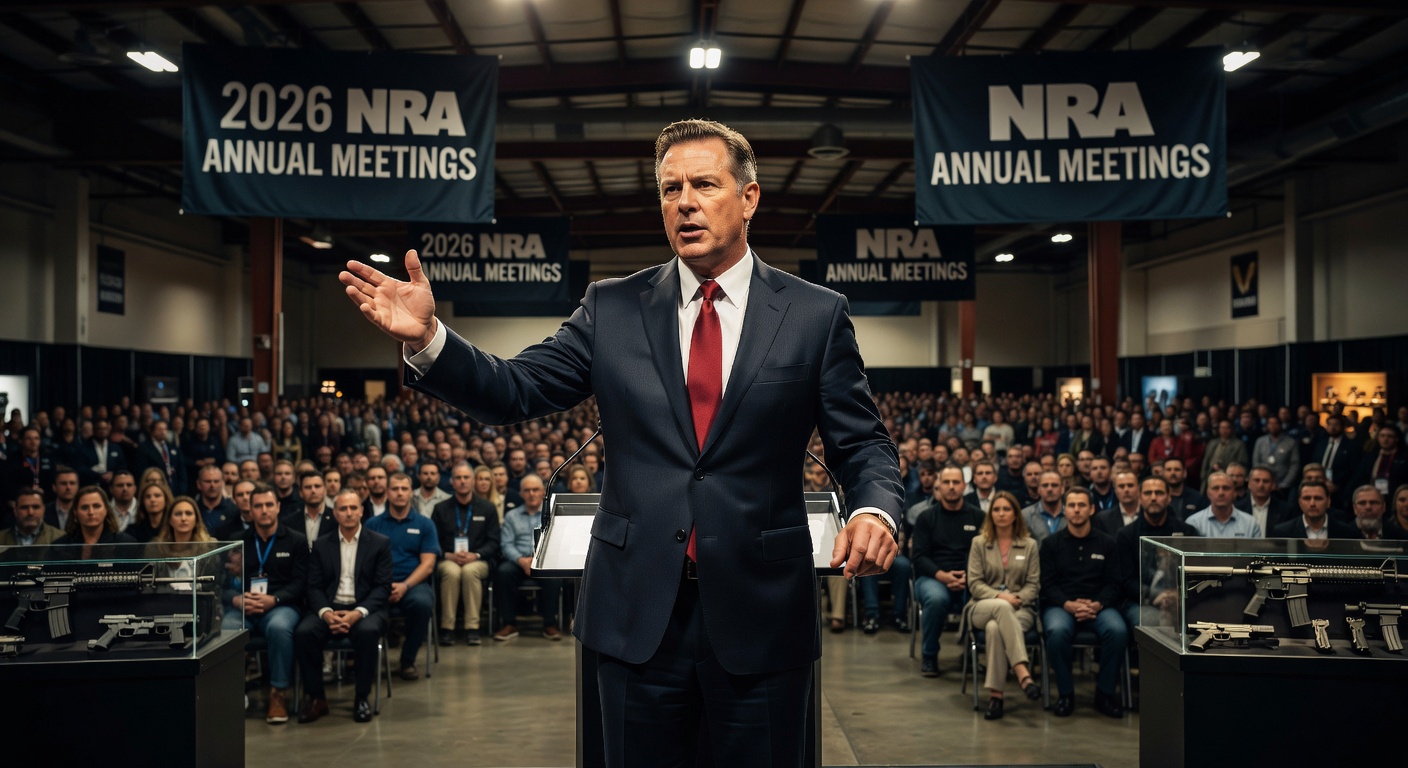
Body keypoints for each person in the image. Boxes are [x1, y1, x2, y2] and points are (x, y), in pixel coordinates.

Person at [342, 118, 901, 767]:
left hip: (762, 615)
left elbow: (862, 443)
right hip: (637, 617)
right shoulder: (612, 308)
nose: (684, 202)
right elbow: (515, 389)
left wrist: (873, 507)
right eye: (669, 189)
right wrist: (429, 340)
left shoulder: (815, 314)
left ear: (748, 198)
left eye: (703, 184)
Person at [294, 490, 394, 724]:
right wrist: (326, 613)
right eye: (342, 509)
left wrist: (357, 613)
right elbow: (314, 587)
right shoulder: (320, 545)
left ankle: (361, 697)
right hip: (330, 608)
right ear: (335, 514)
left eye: (353, 508)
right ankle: (316, 698)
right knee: (304, 633)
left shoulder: (380, 543)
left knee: (368, 632)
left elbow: (383, 587)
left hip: (365, 608)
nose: (348, 513)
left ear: (361, 511)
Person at [1039, 487, 1126, 719]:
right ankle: (1066, 695)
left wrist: (1097, 604)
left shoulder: (1108, 543)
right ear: (1065, 510)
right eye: (1071, 505)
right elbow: (1047, 584)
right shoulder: (1050, 544)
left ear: (1092, 509)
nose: (1076, 510)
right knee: (1056, 632)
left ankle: (1105, 694)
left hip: (1099, 606)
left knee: (1118, 631)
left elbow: (1114, 583)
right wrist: (1068, 604)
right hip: (1061, 606)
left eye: (1081, 505)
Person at [230, 484, 308, 724]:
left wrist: (274, 599)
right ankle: (231, 693)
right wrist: (235, 598)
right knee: (226, 629)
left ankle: (278, 694)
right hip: (243, 607)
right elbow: (222, 583)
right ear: (250, 510)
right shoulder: (236, 542)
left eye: (268, 505)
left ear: (278, 507)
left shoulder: (296, 540)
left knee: (278, 628)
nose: (264, 510)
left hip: (281, 605)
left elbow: (301, 583)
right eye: (258, 506)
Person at [964, 491, 1041, 720]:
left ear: (1015, 514)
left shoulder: (1029, 545)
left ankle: (996, 697)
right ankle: (1022, 672)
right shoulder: (979, 543)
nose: (1001, 513)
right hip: (981, 606)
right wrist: (1002, 598)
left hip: (1021, 610)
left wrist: (1016, 599)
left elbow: (1033, 584)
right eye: (996, 509)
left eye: (1006, 509)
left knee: (995, 629)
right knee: (1001, 610)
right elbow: (974, 583)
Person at [363, 471, 440, 680]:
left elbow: (428, 565)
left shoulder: (424, 524)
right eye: (395, 489)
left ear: (410, 493)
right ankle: (363, 661)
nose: (399, 493)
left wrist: (404, 586)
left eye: (404, 489)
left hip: (412, 584)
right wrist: (382, 586)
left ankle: (407, 660)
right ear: (387, 493)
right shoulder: (372, 525)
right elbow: (364, 563)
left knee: (423, 604)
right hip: (378, 585)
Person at [912, 466, 983, 676]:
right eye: (946, 482)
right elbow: (919, 557)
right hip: (932, 577)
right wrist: (942, 576)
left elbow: (987, 555)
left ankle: (972, 656)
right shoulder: (926, 517)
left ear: (964, 486)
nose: (951, 487)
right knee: (936, 599)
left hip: (971, 577)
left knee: (981, 598)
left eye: (955, 482)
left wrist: (970, 577)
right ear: (939, 486)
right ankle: (930, 656)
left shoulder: (979, 517)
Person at [1116, 476, 1197, 630]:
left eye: (1159, 493)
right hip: (1139, 601)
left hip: (1180, 598)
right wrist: (1153, 596)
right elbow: (1125, 581)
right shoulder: (1126, 535)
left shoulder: (1187, 531)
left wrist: (1177, 594)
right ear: (1140, 498)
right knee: (1152, 625)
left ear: (1168, 498)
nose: (1153, 498)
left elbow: (1194, 571)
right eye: (1148, 493)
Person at [433, 462, 500, 646]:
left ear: (472, 481)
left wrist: (476, 555)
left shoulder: (487, 508)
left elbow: (494, 541)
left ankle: (473, 628)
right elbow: (433, 541)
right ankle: (447, 628)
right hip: (448, 558)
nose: (462, 481)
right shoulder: (440, 509)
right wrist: (447, 555)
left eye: (466, 478)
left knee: (470, 571)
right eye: (458, 478)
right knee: (452, 572)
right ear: (452, 482)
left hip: (478, 559)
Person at [493, 474, 563, 641]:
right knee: (503, 572)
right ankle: (509, 623)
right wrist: (521, 560)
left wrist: (538, 559)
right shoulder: (512, 516)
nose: (531, 493)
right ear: (521, 494)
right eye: (527, 490)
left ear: (543, 493)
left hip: (545, 560)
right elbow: (507, 544)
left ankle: (549, 624)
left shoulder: (553, 514)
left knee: (554, 577)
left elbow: (557, 541)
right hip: (519, 560)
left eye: (535, 490)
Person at [1271, 480, 1362, 539]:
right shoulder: (1282, 533)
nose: (1312, 504)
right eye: (1307, 498)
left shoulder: (1346, 533)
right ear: (1299, 502)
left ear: (1328, 501)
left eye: (1318, 498)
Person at [1186, 472, 1263, 538]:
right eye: (1216, 488)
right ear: (1208, 493)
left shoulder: (1251, 524)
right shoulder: (1194, 523)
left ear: (1234, 493)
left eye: (1226, 488)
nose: (1221, 493)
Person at [53, 486, 136, 547]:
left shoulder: (125, 543)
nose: (91, 512)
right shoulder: (60, 546)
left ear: (106, 509)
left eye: (96, 506)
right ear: (75, 512)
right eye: (84, 507)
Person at [281, 470, 336, 548]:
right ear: (300, 492)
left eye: (317, 486)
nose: (313, 491)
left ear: (325, 490)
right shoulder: (289, 522)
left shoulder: (336, 519)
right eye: (308, 487)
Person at [137, 421, 188, 496]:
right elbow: (141, 472)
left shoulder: (172, 447)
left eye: (165, 429)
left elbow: (181, 469)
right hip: (155, 489)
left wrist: (182, 488)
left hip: (175, 490)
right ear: (152, 431)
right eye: (160, 429)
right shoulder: (144, 448)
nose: (163, 432)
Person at [1251, 416, 1299, 494]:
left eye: (1275, 423)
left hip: (1283, 485)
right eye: (1270, 423)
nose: (1273, 426)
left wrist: (1285, 484)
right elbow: (1256, 461)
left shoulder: (1291, 442)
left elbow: (1294, 465)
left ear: (1280, 425)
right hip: (1263, 484)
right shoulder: (1260, 441)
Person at [1021, 470, 1067, 543]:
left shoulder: (1072, 514)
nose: (1049, 489)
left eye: (1054, 485)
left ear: (1062, 489)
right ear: (1038, 489)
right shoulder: (1024, 516)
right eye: (1045, 485)